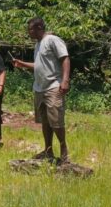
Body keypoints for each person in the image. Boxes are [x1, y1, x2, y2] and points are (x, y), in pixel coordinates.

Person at [12, 17, 71, 163]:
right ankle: (48, 150)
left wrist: (65, 80)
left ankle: (64, 151)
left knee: (56, 121)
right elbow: (38, 65)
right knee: (45, 121)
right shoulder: (38, 44)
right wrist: (22, 64)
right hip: (39, 88)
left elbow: (65, 58)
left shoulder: (52, 40)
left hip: (53, 87)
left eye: (30, 29)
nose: (28, 32)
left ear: (38, 27)